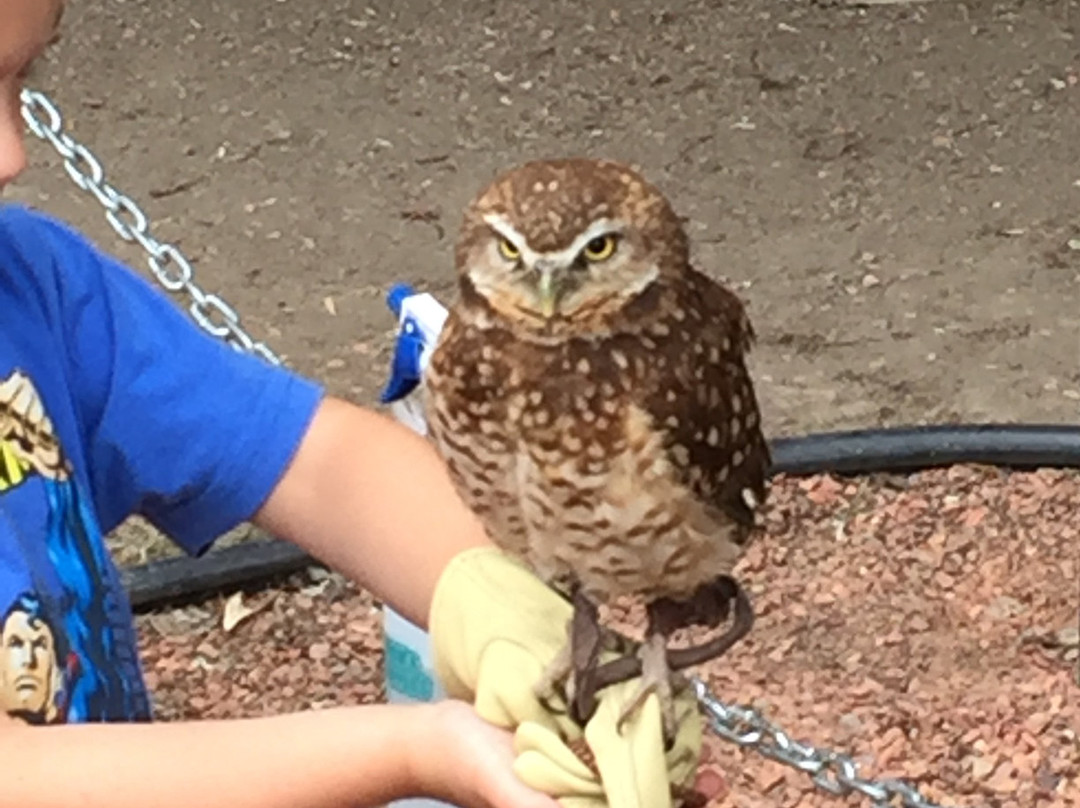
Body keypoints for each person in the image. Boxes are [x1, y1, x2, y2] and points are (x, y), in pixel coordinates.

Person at [0, 2, 706, 807]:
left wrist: (518, 625)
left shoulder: (34, 290)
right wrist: (418, 750)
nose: (13, 151)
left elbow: (317, 461)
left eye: (25, 78)